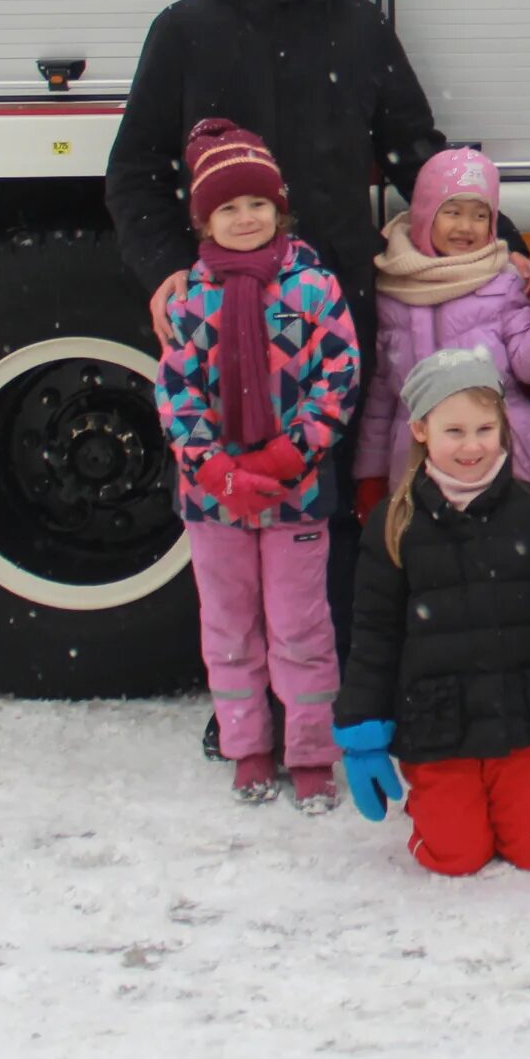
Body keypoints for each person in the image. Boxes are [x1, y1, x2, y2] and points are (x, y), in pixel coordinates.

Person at [108, 0, 447, 683]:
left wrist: (488, 243)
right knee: (232, 513)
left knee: (326, 505)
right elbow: (134, 172)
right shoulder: (187, 31)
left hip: (333, 312)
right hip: (226, 321)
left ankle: (328, 693)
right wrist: (164, 272)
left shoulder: (359, 29)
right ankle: (242, 697)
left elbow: (415, 153)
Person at [156, 120, 361, 810]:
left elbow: (340, 378)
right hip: (213, 502)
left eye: (257, 205)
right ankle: (248, 746)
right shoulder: (190, 297)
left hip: (296, 493)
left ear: (280, 209)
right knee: (229, 627)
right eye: (228, 208)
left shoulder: (313, 288)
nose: (245, 219)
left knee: (302, 629)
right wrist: (216, 473)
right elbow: (175, 393)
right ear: (204, 219)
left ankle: (309, 751)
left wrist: (285, 457)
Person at [332, 349, 530, 875]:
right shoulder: (394, 523)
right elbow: (373, 636)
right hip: (438, 724)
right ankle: (448, 808)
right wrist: (363, 730)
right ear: (421, 430)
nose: (472, 445)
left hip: (525, 719)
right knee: (454, 857)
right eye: (454, 431)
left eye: (484, 428)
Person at [354, 147, 530, 507]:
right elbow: (383, 393)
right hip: (417, 461)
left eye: (480, 215)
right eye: (452, 212)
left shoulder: (504, 281)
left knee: (504, 555)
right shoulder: (393, 287)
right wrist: (370, 472)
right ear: (424, 213)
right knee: (428, 556)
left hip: (500, 454)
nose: (466, 227)